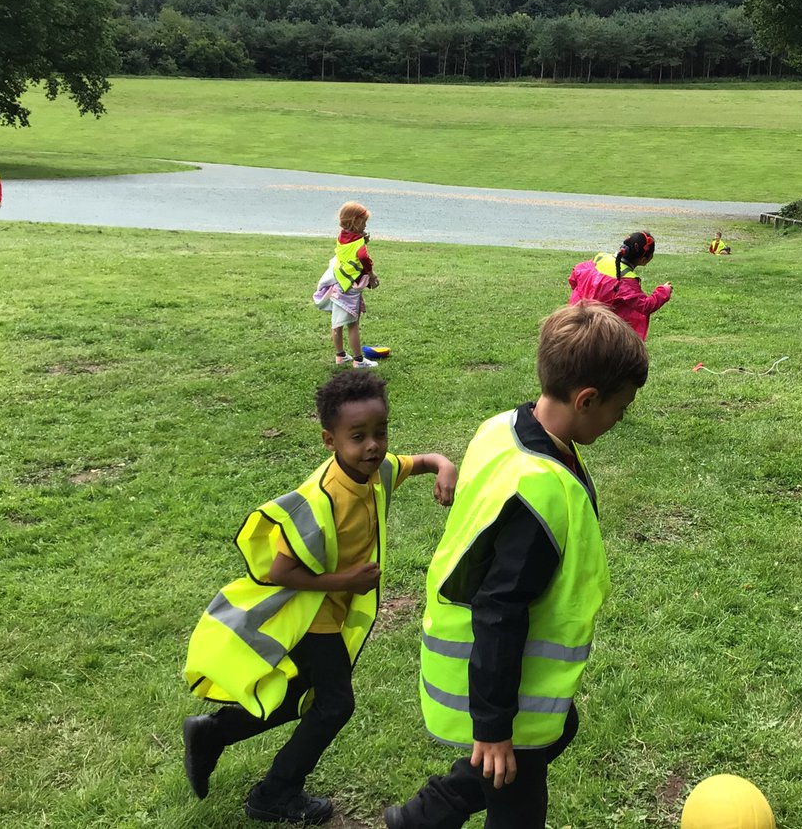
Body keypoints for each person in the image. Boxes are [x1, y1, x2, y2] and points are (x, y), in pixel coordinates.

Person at [384, 302, 650, 829]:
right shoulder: (540, 491)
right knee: (518, 802)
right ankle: (427, 814)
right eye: (620, 409)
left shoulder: (502, 426)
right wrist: (493, 727)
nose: (620, 421)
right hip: (499, 672)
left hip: (499, 669)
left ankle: (427, 814)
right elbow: (499, 611)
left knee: (560, 729)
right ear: (587, 398)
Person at [182, 371, 457, 825]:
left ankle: (214, 733)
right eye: (358, 437)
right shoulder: (321, 498)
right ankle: (274, 793)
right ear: (330, 440)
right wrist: (346, 580)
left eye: (380, 433)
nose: (373, 445)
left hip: (329, 610)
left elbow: (425, 460)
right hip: (313, 617)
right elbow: (280, 570)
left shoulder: (378, 470)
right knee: (334, 705)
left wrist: (445, 467)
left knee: (298, 696)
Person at [567, 231, 672, 341]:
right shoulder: (626, 280)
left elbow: (575, 275)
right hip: (602, 331)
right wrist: (664, 291)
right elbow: (645, 306)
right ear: (644, 260)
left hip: (577, 320)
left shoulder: (601, 258)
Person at [314, 201, 380, 368]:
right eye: (363, 222)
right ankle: (359, 360)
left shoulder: (342, 236)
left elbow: (350, 248)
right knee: (353, 324)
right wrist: (371, 275)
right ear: (355, 222)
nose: (365, 225)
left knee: (336, 323)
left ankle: (340, 356)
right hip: (350, 287)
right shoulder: (359, 245)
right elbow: (364, 258)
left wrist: (363, 238)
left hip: (339, 284)